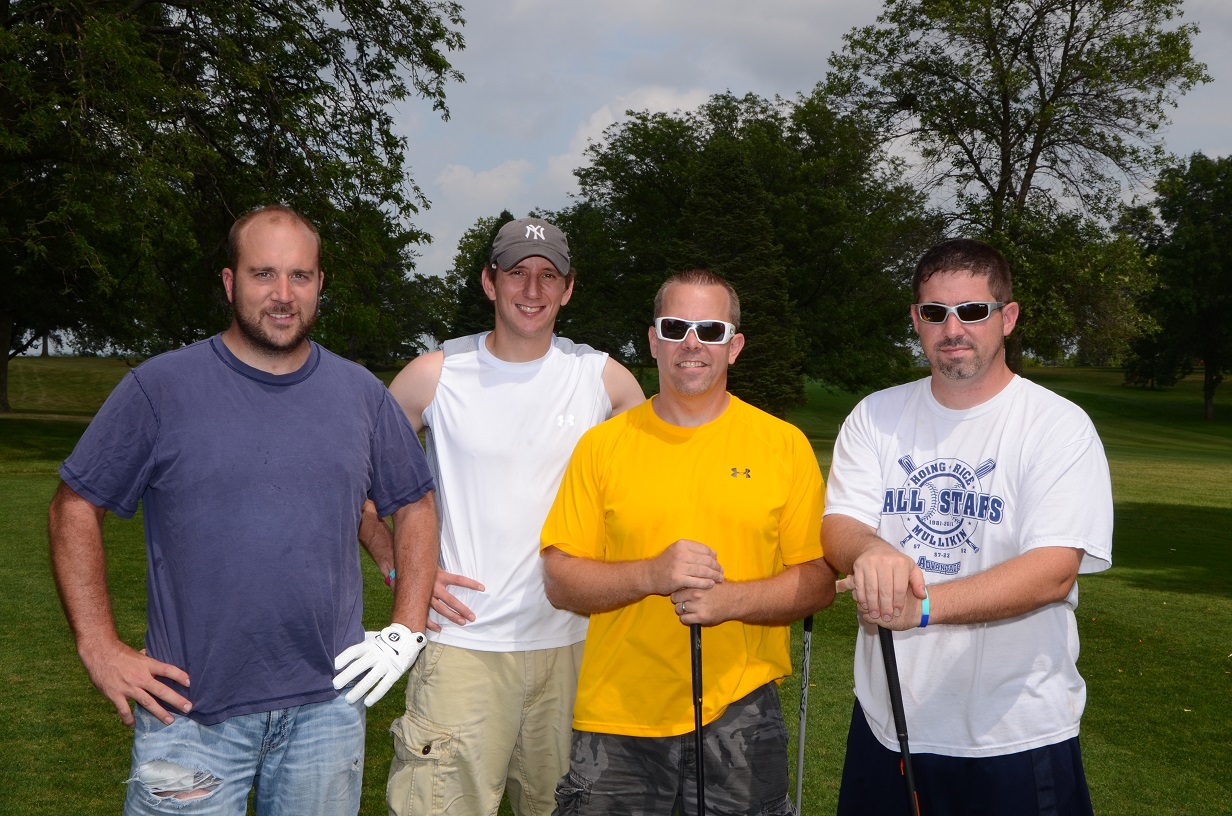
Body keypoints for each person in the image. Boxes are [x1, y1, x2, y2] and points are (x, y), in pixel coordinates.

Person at [48, 204, 439, 816]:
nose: (283, 295)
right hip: (188, 713)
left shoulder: (359, 393)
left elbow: (414, 502)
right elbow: (75, 506)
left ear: (319, 285)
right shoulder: (160, 388)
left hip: (327, 710)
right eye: (263, 275)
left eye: (300, 277)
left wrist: (406, 628)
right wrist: (97, 643)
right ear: (230, 283)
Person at [822, 238, 1114, 815]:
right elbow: (840, 525)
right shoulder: (875, 415)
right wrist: (871, 549)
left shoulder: (1057, 425)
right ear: (916, 321)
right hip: (889, 724)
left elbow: (1052, 572)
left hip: (1015, 732)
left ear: (1006, 317)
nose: (953, 327)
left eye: (972, 310)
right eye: (935, 313)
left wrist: (922, 607)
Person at [369, 217, 644, 816]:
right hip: (462, 647)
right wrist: (402, 570)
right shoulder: (434, 376)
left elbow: (651, 489)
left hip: (572, 646)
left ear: (568, 290)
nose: (533, 289)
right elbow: (356, 492)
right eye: (517, 273)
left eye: (549, 276)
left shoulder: (603, 381)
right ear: (489, 282)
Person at [540, 269, 834, 816]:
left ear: (735, 346)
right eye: (676, 327)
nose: (692, 343)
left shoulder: (782, 446)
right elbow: (559, 578)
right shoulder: (603, 447)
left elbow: (818, 580)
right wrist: (650, 574)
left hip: (741, 711)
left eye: (711, 329)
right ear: (653, 340)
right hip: (619, 714)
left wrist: (730, 602)